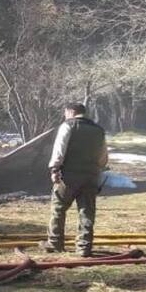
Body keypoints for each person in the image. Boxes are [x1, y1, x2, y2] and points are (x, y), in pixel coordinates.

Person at [42, 102, 109, 256]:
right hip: (91, 177)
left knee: (59, 208)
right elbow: (103, 158)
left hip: (69, 177)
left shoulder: (68, 126)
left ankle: (55, 243)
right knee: (86, 212)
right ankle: (84, 247)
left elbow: (60, 150)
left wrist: (55, 169)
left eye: (66, 113)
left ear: (71, 112)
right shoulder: (99, 130)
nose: (65, 116)